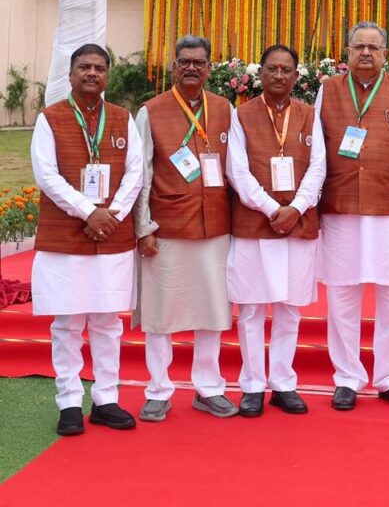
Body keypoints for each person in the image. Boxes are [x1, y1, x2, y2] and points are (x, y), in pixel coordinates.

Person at [315, 21, 389, 410]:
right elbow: (316, 152)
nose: (366, 53)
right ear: (347, 52)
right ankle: (347, 377)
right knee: (342, 296)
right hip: (341, 208)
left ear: (386, 54)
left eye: (373, 47)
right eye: (359, 47)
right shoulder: (328, 90)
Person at [30, 43, 143, 436]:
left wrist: (111, 214)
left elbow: (135, 173)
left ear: (107, 75)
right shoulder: (50, 118)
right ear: (71, 74)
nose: (92, 73)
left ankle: (106, 398)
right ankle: (69, 402)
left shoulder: (122, 118)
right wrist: (87, 211)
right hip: (66, 235)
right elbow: (46, 175)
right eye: (84, 67)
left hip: (112, 234)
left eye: (99, 67)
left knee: (107, 321)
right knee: (67, 322)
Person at [133, 35, 237, 421]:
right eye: (184, 62)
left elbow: (236, 171)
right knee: (160, 312)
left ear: (209, 68)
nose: (192, 68)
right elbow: (140, 174)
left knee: (212, 310)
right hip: (166, 228)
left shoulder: (225, 109)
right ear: (173, 66)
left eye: (199, 62)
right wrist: (143, 227)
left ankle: (208, 388)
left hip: (216, 228)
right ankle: (158, 389)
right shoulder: (151, 111)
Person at [226, 44, 326, 417]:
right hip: (255, 225)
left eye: (286, 69)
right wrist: (272, 209)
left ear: (296, 76)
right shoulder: (241, 115)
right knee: (251, 309)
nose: (279, 75)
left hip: (297, 225)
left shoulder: (309, 115)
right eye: (272, 69)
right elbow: (237, 171)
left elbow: (319, 167)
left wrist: (295, 208)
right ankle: (252, 385)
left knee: (289, 308)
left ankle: (283, 383)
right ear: (261, 73)